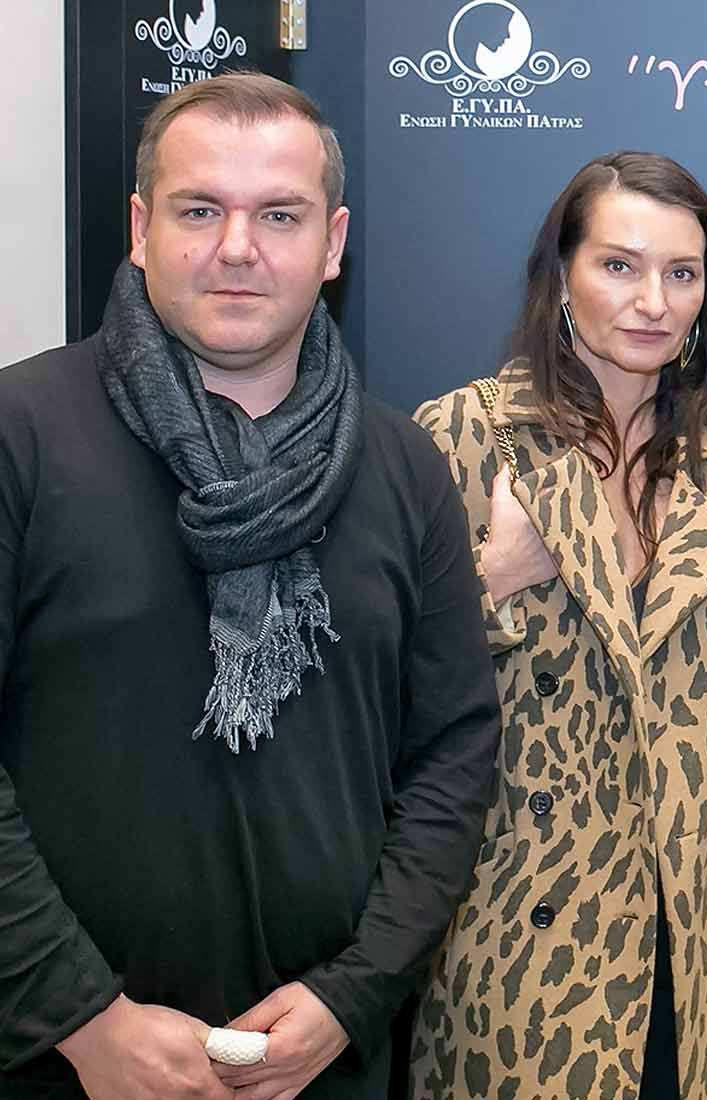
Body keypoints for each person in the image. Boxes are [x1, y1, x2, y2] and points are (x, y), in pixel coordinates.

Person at [0, 73, 500, 1099]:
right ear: (140, 230)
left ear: (333, 242)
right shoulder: (23, 432)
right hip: (62, 1063)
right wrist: (81, 1018)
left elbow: (453, 753)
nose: (238, 247)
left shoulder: (406, 469)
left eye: (279, 214)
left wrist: (354, 995)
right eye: (199, 210)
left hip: (321, 1064)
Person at [408, 151, 707, 1100]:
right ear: (563, 276)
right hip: (520, 921)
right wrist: (496, 576)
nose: (653, 303)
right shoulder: (463, 438)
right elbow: (384, 690)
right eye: (619, 266)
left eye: (681, 273)